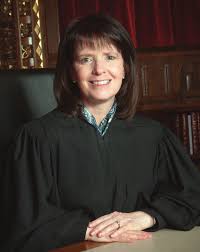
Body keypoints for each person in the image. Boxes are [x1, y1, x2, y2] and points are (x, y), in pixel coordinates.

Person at [1, 13, 200, 252]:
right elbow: (20, 226)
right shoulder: (36, 138)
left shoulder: (154, 136)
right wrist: (89, 230)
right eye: (86, 59)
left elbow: (192, 198)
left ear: (125, 67)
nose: (99, 70)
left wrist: (147, 217)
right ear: (72, 72)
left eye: (110, 57)